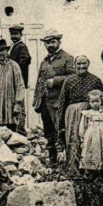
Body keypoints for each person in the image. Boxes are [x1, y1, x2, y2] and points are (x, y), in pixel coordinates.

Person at [33, 29, 75, 166]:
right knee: (49, 133)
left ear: (59, 42)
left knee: (61, 132)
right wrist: (36, 100)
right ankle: (53, 162)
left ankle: (66, 163)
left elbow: (73, 77)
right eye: (47, 43)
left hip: (59, 102)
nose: (50, 45)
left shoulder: (67, 58)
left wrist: (55, 81)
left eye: (53, 42)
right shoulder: (45, 61)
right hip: (45, 102)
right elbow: (39, 81)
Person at [59, 56, 103, 172]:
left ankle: (91, 170)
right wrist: (60, 121)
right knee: (73, 139)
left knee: (90, 140)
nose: (81, 66)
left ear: (88, 64)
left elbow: (102, 100)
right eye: (78, 64)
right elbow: (63, 101)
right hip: (72, 114)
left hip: (90, 113)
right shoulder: (68, 81)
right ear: (74, 65)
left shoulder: (95, 80)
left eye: (84, 63)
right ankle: (73, 170)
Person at [78, 90, 103, 175]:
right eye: (92, 101)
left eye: (97, 101)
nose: (95, 103)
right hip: (90, 135)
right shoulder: (87, 113)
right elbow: (83, 126)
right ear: (89, 102)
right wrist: (82, 138)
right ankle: (90, 171)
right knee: (90, 151)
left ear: (101, 101)